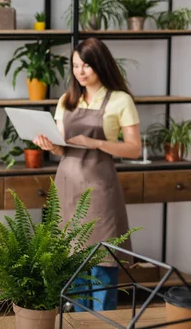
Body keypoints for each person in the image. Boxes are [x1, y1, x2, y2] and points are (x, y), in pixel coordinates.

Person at [33, 37, 141, 312]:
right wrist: (50, 145)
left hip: (99, 187)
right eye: (76, 65)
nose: (80, 71)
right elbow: (62, 146)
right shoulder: (66, 100)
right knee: (73, 264)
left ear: (100, 64)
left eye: (86, 65)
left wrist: (97, 143)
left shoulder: (120, 100)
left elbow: (134, 149)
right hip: (67, 185)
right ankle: (78, 322)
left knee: (102, 262)